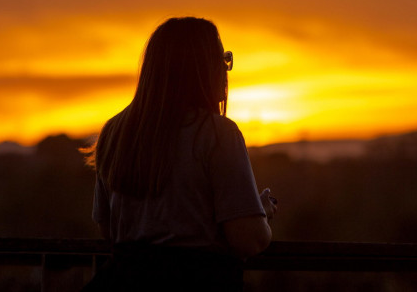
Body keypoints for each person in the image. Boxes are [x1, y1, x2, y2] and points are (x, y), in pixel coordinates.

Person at [82, 17, 277, 292]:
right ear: (204, 68)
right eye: (222, 59)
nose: (225, 69)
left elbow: (108, 230)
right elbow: (248, 240)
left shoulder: (116, 131)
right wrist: (262, 215)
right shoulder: (217, 133)